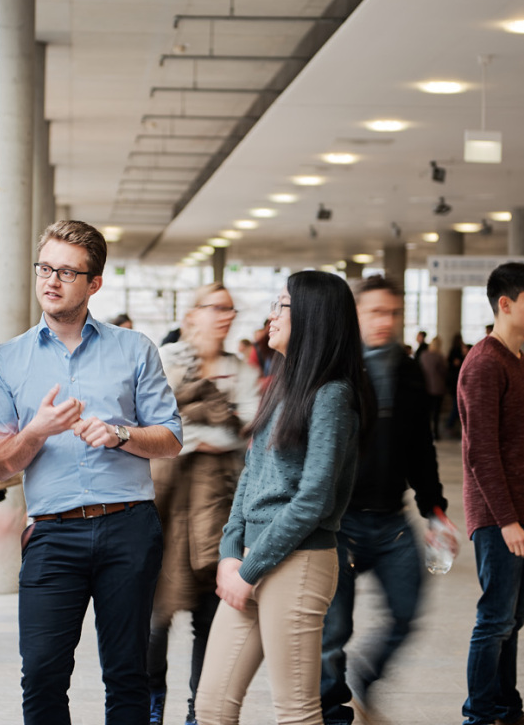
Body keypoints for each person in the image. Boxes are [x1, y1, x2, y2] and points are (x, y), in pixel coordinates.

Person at [0, 220, 183, 725]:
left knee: (127, 673)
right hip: (53, 535)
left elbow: (172, 438)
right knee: (44, 676)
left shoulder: (134, 348)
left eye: (67, 272)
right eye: (45, 268)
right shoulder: (8, 360)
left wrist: (121, 435)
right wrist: (37, 432)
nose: (51, 281)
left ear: (94, 283)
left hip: (129, 527)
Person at [194, 271, 375, 725]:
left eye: (281, 305)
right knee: (212, 705)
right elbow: (251, 476)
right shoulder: (280, 386)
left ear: (312, 317)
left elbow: (313, 499)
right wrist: (230, 551)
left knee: (295, 714)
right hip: (252, 560)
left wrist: (251, 568)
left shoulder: (332, 395)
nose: (269, 316)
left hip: (298, 562)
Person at [320, 275, 454, 724]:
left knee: (406, 611)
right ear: (355, 313)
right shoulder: (336, 366)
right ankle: (332, 715)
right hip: (342, 524)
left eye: (393, 313)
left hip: (391, 521)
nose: (386, 322)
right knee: (334, 633)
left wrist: (435, 511)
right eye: (376, 312)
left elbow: (421, 447)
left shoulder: (408, 369)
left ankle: (366, 677)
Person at [148, 283, 261, 724]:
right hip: (166, 503)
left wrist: (190, 428)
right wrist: (207, 426)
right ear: (193, 314)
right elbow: (153, 424)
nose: (225, 316)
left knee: (209, 616)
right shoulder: (167, 360)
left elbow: (247, 429)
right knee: (155, 617)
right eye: (216, 308)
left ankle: (200, 710)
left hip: (221, 507)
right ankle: (152, 699)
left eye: (231, 309)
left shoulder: (241, 368)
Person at [459, 262, 524, 725]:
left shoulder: (521, 364)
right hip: (498, 518)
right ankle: (478, 716)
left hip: (522, 512)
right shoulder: (483, 364)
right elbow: (481, 453)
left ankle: (505, 707)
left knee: (512, 620)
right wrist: (508, 520)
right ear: (506, 304)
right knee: (494, 620)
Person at [421, 337, 449, 440]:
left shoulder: (423, 355)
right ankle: (436, 433)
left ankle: (426, 433)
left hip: (426, 387)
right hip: (437, 387)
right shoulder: (439, 356)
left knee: (427, 412)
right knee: (436, 413)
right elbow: (444, 371)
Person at [445, 333, 469, 434]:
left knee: (457, 405)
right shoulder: (457, 352)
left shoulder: (452, 351)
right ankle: (449, 425)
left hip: (454, 382)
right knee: (457, 405)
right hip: (457, 382)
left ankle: (451, 425)